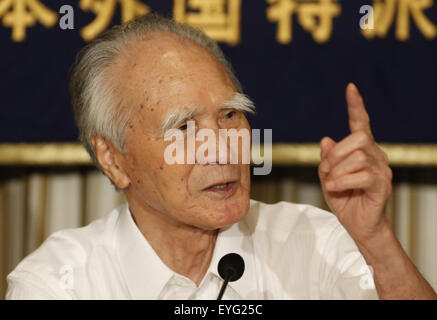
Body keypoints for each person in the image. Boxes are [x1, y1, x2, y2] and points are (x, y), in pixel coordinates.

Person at [6, 13, 436, 300]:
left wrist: (375, 240)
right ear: (114, 159)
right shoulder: (59, 283)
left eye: (231, 114)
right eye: (184, 127)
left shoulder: (313, 242)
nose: (223, 146)